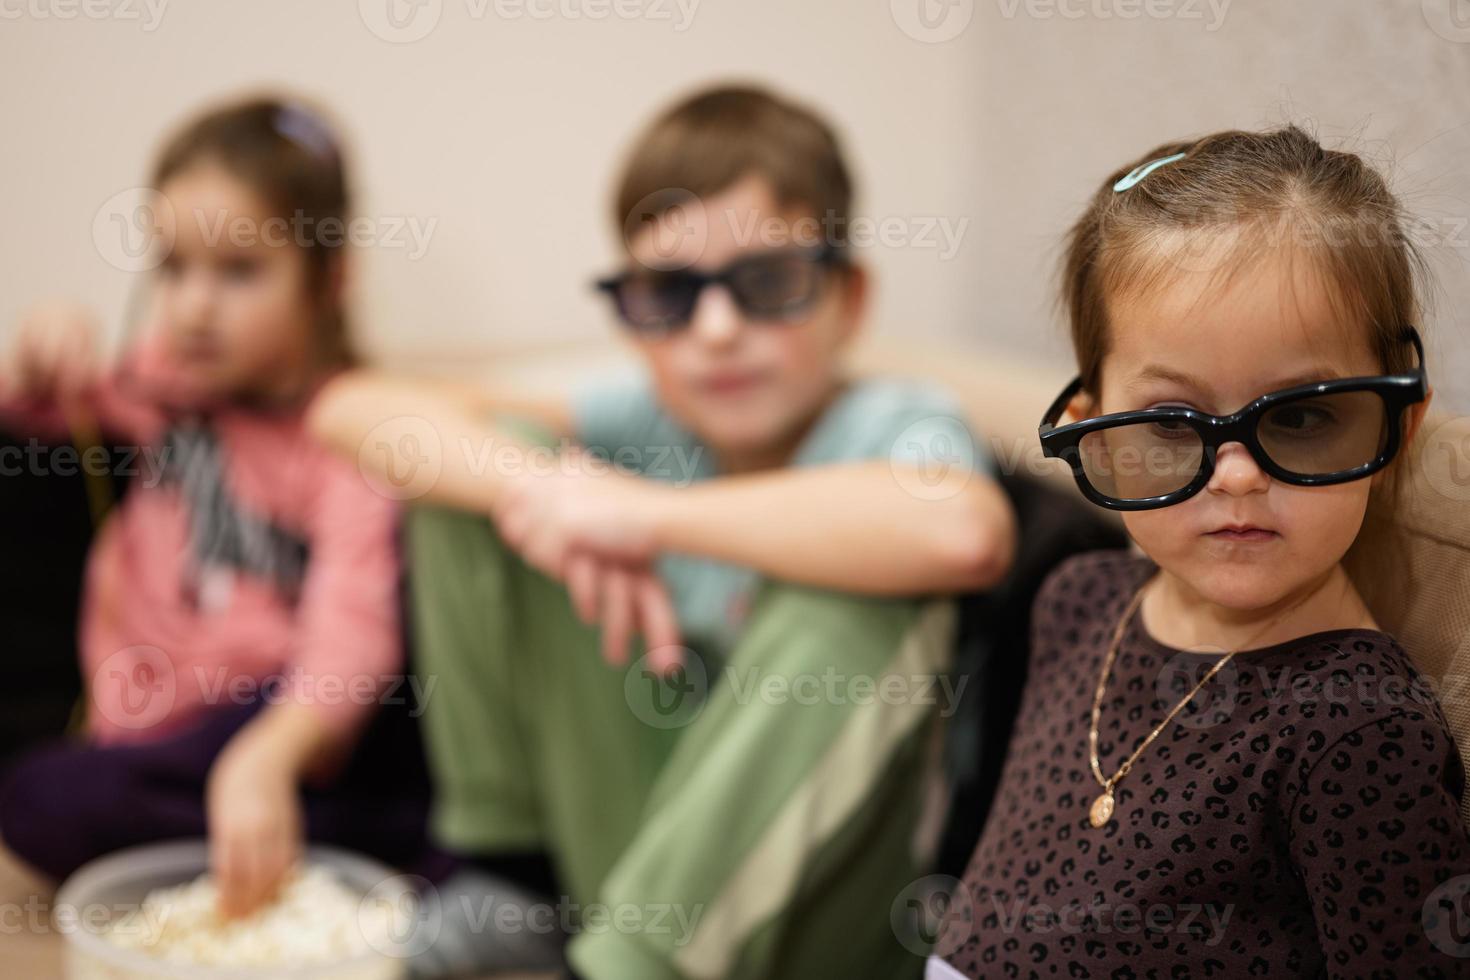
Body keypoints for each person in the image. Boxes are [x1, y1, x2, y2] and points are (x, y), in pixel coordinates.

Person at [311, 85, 1017, 978]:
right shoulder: (646, 416)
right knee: (483, 469)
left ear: (850, 298)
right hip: (629, 866)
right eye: (669, 296)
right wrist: (549, 492)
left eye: (768, 283)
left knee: (858, 592)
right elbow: (355, 408)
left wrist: (637, 515)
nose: (716, 331)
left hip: (830, 912)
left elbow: (963, 533)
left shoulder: (892, 421)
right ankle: (513, 878)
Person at [931, 125, 1470, 978]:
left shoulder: (1357, 724)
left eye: (1299, 416)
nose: (1239, 476)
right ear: (1090, 433)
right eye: (1172, 425)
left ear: (1396, 424)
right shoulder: (1075, 598)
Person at [0, 95, 428, 918]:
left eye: (237, 271)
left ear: (330, 278)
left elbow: (354, 632)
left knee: (47, 799)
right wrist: (43, 347)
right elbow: (44, 417)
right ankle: (320, 848)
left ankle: (360, 834)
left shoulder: (349, 431)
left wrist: (269, 755)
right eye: (173, 267)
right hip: (158, 739)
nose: (194, 305)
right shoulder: (162, 388)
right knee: (43, 796)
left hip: (286, 726)